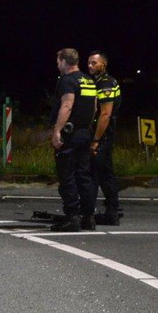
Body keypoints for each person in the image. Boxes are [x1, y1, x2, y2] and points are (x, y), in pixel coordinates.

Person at [50, 48, 98, 232]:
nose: (57, 65)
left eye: (58, 61)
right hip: (85, 133)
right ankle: (88, 217)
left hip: (70, 135)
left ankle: (72, 217)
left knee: (67, 175)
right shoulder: (88, 81)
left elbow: (67, 105)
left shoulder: (68, 81)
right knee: (83, 175)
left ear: (63, 61)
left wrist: (57, 131)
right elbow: (94, 108)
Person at [88, 51, 121, 225]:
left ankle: (88, 214)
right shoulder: (100, 82)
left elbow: (105, 114)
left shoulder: (105, 83)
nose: (91, 66)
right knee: (106, 174)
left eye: (94, 63)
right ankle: (112, 213)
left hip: (103, 135)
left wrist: (95, 140)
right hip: (105, 135)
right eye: (89, 63)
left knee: (93, 174)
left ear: (104, 64)